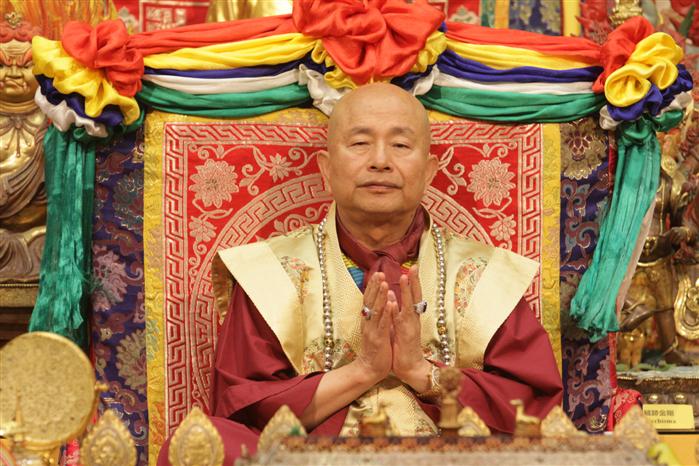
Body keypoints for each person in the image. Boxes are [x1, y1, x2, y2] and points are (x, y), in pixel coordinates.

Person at [158, 83, 563, 465]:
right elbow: (245, 406)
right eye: (360, 143)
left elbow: (532, 408)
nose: (380, 160)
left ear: (429, 171)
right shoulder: (270, 273)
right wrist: (364, 370)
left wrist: (421, 373)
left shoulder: (483, 274)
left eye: (400, 145)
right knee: (201, 444)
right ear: (326, 168)